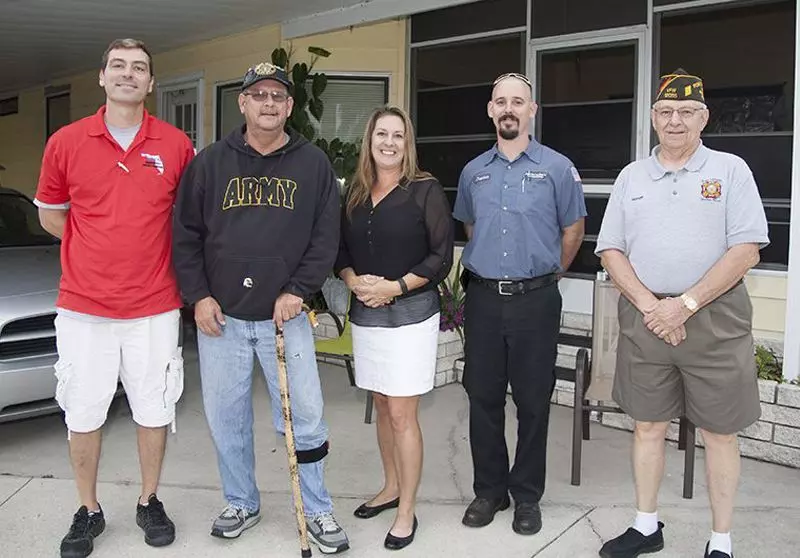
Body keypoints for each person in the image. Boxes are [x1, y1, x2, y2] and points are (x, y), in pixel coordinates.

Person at [171, 61, 349, 554]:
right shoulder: (209, 163)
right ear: (243, 103)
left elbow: (324, 238)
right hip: (221, 320)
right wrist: (199, 297)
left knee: (305, 419)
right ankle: (241, 501)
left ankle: (317, 508)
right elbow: (185, 236)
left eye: (278, 96)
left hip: (284, 319)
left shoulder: (312, 164)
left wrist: (299, 289)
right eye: (259, 95)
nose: (269, 103)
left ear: (290, 107)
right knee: (226, 417)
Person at [595, 69, 769, 558]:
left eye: (687, 112)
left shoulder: (730, 170)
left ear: (704, 118)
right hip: (646, 316)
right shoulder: (631, 177)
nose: (676, 121)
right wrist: (653, 307)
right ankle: (646, 526)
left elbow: (747, 249)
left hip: (714, 318)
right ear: (653, 118)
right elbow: (610, 250)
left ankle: (721, 541)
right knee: (648, 425)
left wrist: (685, 305)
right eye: (666, 111)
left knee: (719, 431)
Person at [34, 38, 195, 558]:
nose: (129, 74)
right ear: (102, 76)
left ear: (151, 83)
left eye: (140, 68)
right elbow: (51, 214)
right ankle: (89, 510)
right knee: (83, 412)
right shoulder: (65, 141)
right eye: (119, 66)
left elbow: (188, 222)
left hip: (154, 304)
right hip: (83, 308)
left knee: (154, 408)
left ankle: (149, 500)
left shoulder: (175, 145)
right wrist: (94, 246)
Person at [452, 72, 587, 535]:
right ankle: (490, 490)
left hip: (536, 301)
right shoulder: (473, 172)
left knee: (533, 401)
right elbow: (472, 230)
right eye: (500, 102)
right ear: (491, 110)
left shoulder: (556, 167)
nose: (509, 109)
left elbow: (573, 231)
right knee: (483, 397)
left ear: (532, 111)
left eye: (518, 102)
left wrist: (547, 274)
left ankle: (527, 495)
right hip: (485, 300)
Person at [334, 105, 454, 551]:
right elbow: (339, 251)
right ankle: (390, 488)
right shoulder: (355, 193)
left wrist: (395, 287)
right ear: (369, 141)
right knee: (382, 404)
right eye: (381, 134)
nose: (388, 142)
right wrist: (352, 280)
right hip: (367, 313)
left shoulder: (425, 191)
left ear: (408, 143)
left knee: (403, 413)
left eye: (397, 135)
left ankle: (407, 511)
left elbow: (440, 256)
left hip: (410, 314)